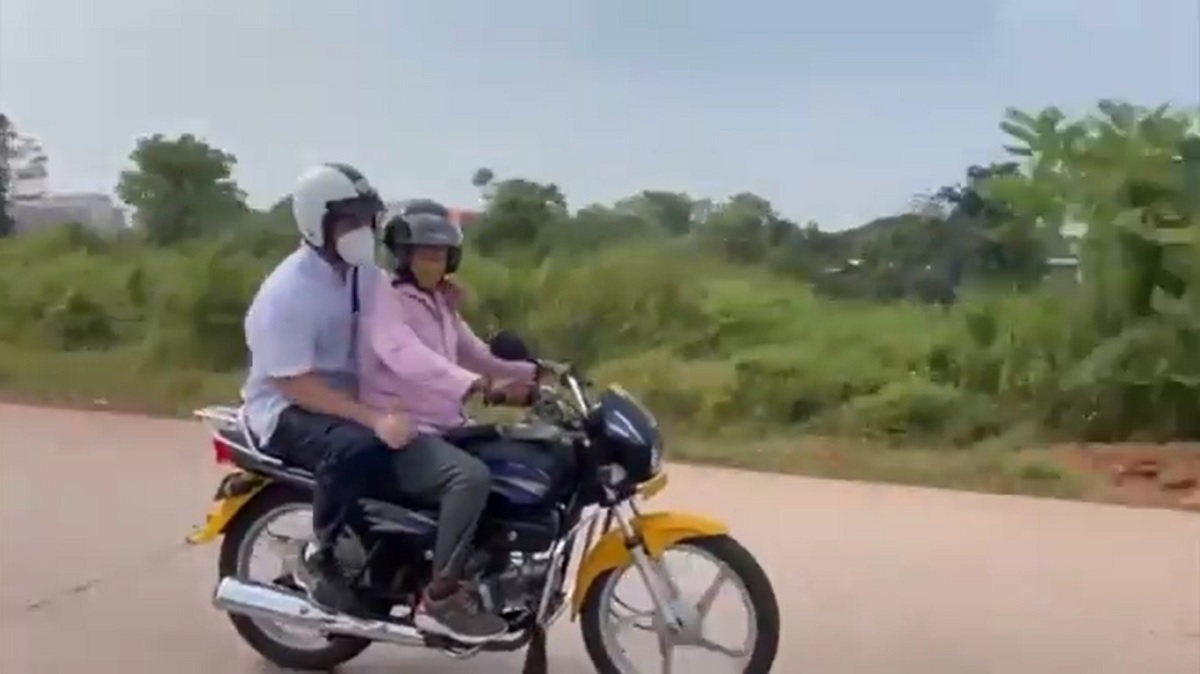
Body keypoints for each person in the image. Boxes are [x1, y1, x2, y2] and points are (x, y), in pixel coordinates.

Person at [357, 199, 539, 643]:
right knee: (469, 479)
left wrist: (536, 372)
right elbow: (408, 357)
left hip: (443, 424)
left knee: (514, 453)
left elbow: (475, 353)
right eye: (424, 253)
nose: (433, 262)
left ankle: (484, 564)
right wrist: (480, 386)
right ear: (401, 254)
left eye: (440, 254)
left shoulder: (438, 303)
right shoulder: (386, 298)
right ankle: (439, 597)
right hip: (400, 431)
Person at [241, 163, 412, 614]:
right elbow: (295, 384)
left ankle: (395, 563)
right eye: (349, 221)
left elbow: (401, 328)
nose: (361, 230)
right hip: (286, 407)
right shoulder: (287, 294)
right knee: (356, 447)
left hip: (345, 400)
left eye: (365, 219)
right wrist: (372, 417)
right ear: (318, 223)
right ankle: (325, 560)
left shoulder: (364, 275)